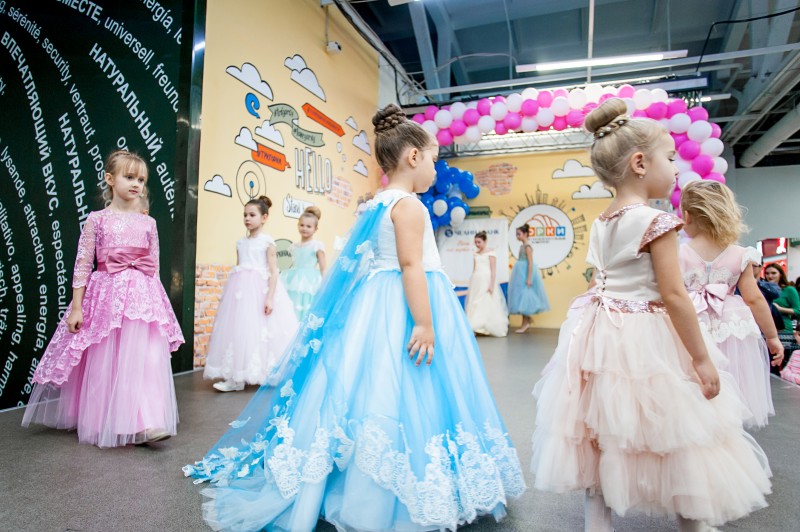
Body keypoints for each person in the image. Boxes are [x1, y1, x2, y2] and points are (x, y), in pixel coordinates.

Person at [184, 104, 525, 532]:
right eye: (434, 159)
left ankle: (353, 472)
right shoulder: (409, 206)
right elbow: (411, 266)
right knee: (411, 383)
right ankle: (399, 484)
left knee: (369, 383)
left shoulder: (375, 204)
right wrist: (423, 323)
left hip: (375, 304)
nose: (435, 169)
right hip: (409, 302)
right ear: (413, 157)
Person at [531, 99, 771, 532]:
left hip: (601, 334)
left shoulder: (603, 220)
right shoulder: (656, 222)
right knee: (680, 429)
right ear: (640, 163)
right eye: (671, 158)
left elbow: (600, 279)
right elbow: (675, 296)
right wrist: (701, 358)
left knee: (603, 432)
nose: (676, 169)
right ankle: (692, 522)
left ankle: (597, 525)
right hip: (649, 336)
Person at [22, 150, 184, 447]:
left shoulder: (149, 223)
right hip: (106, 298)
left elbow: (154, 268)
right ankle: (105, 420)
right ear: (110, 179)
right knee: (106, 359)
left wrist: (159, 307)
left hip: (141, 301)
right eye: (129, 177)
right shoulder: (97, 220)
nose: (136, 184)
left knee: (145, 359)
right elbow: (83, 264)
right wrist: (77, 307)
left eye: (141, 180)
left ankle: (146, 422)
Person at [679, 180, 783, 428]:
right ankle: (726, 430)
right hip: (732, 328)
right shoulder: (740, 254)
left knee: (692, 384)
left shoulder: (678, 253)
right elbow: (754, 299)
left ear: (687, 215)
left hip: (693, 324)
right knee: (734, 382)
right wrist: (771, 337)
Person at [203, 196, 299, 392]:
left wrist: (270, 298)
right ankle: (236, 377)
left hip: (260, 292)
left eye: (252, 215)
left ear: (264, 217)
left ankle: (264, 373)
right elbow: (239, 267)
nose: (247, 218)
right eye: (245, 215)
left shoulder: (267, 242)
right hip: (240, 293)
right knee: (239, 330)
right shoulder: (240, 243)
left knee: (260, 332)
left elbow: (273, 272)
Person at [280, 206, 327, 320]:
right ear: (298, 225)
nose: (304, 228)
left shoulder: (317, 246)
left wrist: (325, 284)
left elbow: (323, 268)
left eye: (308, 226)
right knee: (292, 304)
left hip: (310, 281)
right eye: (302, 225)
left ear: (315, 229)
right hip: (294, 279)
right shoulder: (294, 246)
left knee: (306, 304)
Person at [465, 231, 509, 337]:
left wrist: (491, 285)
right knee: (475, 302)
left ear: (485, 241)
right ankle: (475, 326)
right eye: (475, 242)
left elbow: (493, 271)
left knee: (487, 302)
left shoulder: (491, 253)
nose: (477, 244)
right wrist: (471, 283)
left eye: (479, 242)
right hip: (477, 281)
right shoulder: (475, 254)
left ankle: (486, 327)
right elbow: (474, 269)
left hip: (486, 280)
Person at [508, 224, 550, 333]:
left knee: (525, 298)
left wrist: (529, 278)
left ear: (525, 234)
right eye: (516, 234)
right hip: (520, 274)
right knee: (521, 299)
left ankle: (526, 323)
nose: (517, 236)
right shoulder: (522, 246)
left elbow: (530, 263)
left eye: (519, 234)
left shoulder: (527, 247)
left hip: (525, 274)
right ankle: (526, 322)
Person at [765, 262, 800, 335]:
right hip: (766, 329)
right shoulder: (763, 290)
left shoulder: (789, 290)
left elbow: (798, 311)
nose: (770, 276)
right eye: (767, 273)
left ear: (780, 274)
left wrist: (779, 309)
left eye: (773, 273)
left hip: (784, 329)